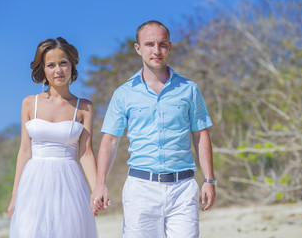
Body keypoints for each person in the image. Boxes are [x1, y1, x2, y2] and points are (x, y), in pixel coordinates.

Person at [91, 20, 216, 238]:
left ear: (170, 46)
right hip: (141, 189)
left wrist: (209, 180)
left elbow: (200, 134)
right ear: (138, 48)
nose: (156, 50)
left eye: (162, 44)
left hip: (183, 188)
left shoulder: (189, 89)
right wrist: (100, 184)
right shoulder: (123, 93)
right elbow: (110, 140)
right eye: (149, 44)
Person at [8, 37, 98, 237]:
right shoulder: (29, 103)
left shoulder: (85, 107)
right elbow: (24, 150)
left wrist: (97, 190)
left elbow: (85, 152)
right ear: (43, 69)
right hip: (33, 184)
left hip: (70, 184)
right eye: (51, 65)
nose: (58, 70)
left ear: (72, 66)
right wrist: (15, 195)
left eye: (63, 63)